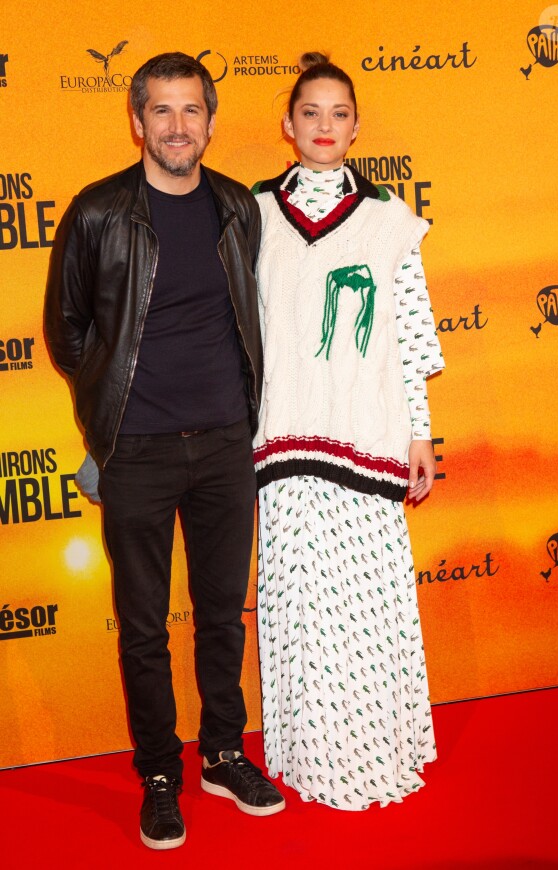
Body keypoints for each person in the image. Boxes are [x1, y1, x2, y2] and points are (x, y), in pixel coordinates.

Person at [44, 51, 285, 851]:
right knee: (143, 626)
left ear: (211, 122)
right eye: (162, 111)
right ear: (137, 120)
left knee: (222, 615)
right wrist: (117, 407)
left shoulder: (235, 208)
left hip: (225, 445)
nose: (178, 127)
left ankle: (223, 752)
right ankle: (158, 772)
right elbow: (67, 331)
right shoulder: (98, 212)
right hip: (137, 454)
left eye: (192, 112)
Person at [251, 53, 445, 811]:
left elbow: (411, 342)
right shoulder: (254, 212)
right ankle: (305, 755)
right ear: (288, 125)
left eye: (338, 114)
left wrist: (420, 437)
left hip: (367, 440)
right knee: (300, 609)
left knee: (368, 613)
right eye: (310, 114)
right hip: (286, 445)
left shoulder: (392, 222)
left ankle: (376, 748)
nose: (324, 127)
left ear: (356, 126)